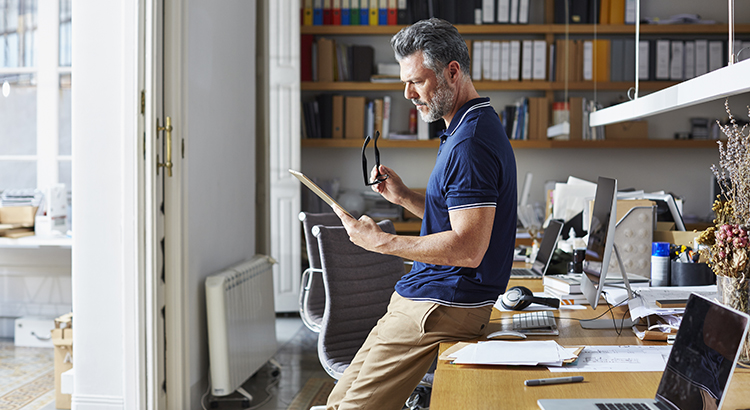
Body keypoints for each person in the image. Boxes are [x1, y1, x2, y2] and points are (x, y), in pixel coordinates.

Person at [325, 18, 517, 410]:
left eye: (417, 81)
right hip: (427, 296)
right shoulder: (465, 126)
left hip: (442, 303)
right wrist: (406, 198)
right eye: (404, 82)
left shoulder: (470, 144)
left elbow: (467, 248)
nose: (408, 94)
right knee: (337, 400)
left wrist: (379, 242)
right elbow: (458, 216)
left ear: (452, 71)